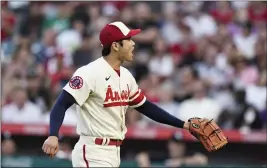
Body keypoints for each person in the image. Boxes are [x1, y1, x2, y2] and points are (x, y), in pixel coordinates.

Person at [42, 21, 192, 167]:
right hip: (93, 150)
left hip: (113, 152)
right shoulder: (89, 73)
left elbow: (145, 107)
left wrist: (184, 125)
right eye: (128, 40)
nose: (133, 44)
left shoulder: (126, 76)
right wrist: (53, 135)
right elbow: (61, 104)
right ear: (115, 45)